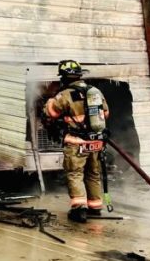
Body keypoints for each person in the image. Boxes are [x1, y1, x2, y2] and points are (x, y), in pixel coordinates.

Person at [43, 59, 110, 223]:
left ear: (64, 77)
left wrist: (50, 100)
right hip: (96, 142)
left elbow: (51, 113)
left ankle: (79, 210)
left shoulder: (65, 94)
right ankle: (95, 207)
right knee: (93, 174)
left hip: (76, 142)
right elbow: (105, 114)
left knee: (75, 174)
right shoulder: (95, 92)